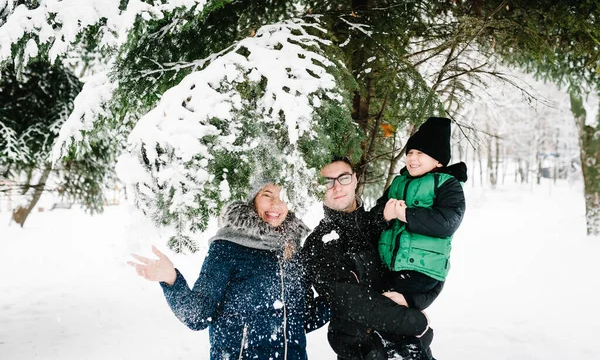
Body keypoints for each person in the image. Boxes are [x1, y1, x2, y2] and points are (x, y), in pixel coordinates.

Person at [128, 180, 329, 360]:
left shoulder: (292, 249)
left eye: (283, 197)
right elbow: (197, 316)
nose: (276, 205)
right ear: (252, 199)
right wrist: (171, 280)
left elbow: (301, 319)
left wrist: (340, 296)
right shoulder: (228, 247)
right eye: (267, 195)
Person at [302, 158, 436, 360]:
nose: (337, 187)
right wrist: (411, 321)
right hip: (364, 351)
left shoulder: (378, 223)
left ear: (355, 180)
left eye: (343, 178)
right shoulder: (320, 243)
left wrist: (414, 301)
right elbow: (350, 300)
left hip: (410, 346)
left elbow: (428, 265)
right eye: (327, 182)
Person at [377, 116, 467, 358]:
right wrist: (384, 214)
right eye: (411, 152)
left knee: (391, 315)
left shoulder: (446, 184)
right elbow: (378, 213)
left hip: (421, 269)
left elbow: (448, 221)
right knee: (386, 319)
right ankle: (414, 342)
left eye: (421, 153)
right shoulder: (398, 182)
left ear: (438, 160)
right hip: (393, 267)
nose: (412, 158)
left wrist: (407, 214)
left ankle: (411, 349)